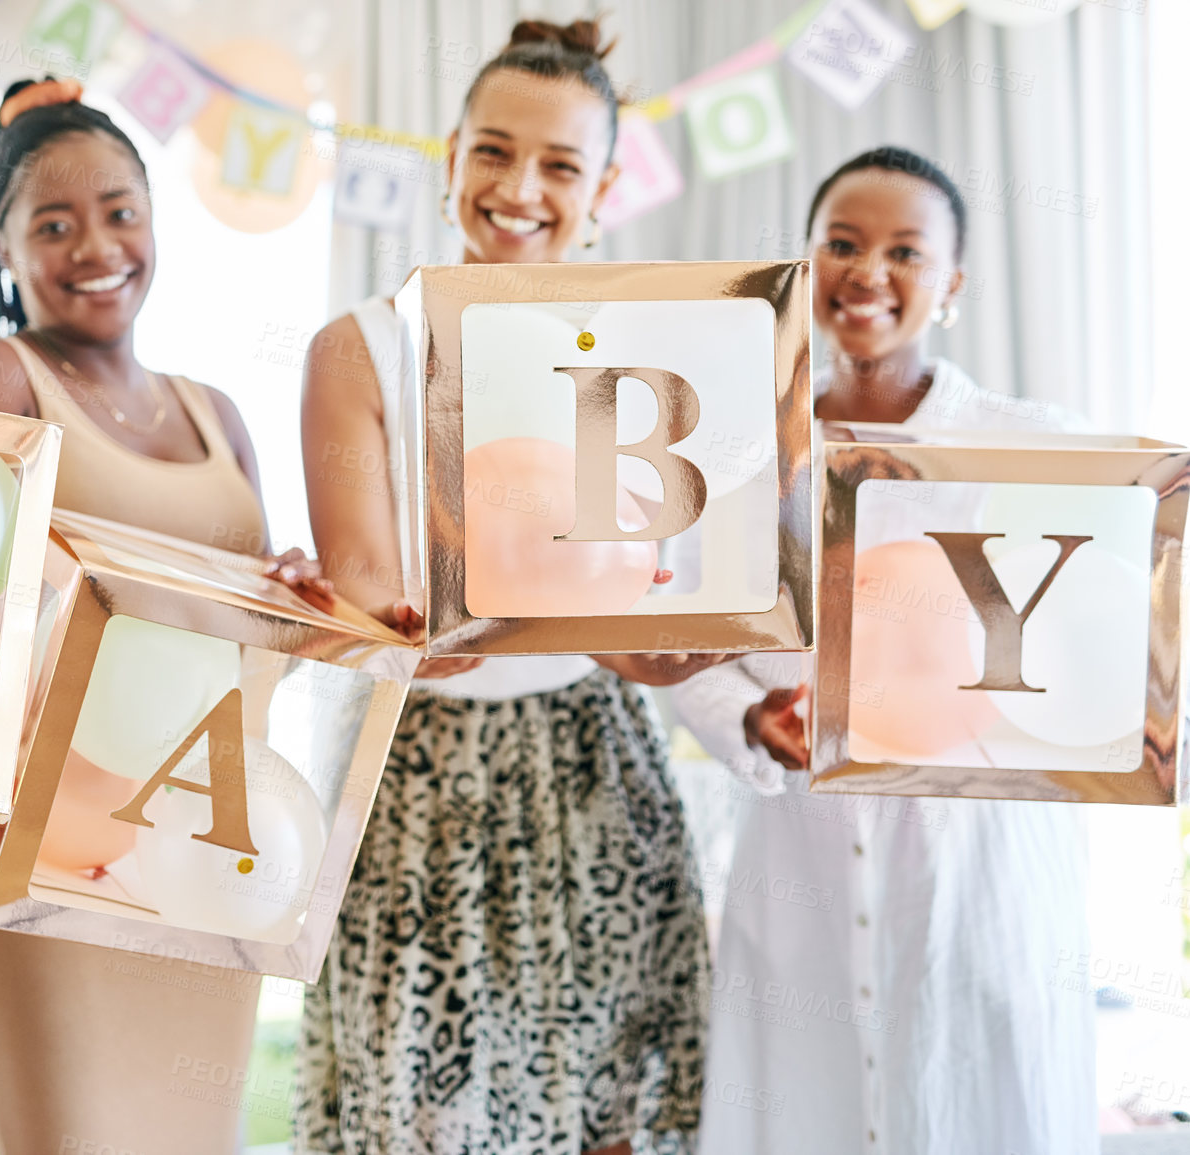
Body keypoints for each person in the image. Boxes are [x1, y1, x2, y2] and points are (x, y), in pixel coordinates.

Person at [296, 21, 718, 1155]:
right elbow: (378, 607)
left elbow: (679, 587)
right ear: (448, 162)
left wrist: (668, 645)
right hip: (418, 780)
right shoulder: (360, 351)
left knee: (604, 1115)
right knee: (423, 1118)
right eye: (492, 151)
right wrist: (437, 629)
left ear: (608, 188)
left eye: (561, 165)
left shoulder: (656, 355)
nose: (520, 188)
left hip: (594, 767)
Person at [0, 77, 326, 1153]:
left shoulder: (218, 414)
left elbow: (250, 656)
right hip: (46, 874)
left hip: (203, 861)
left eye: (118, 211)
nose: (95, 244)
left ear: (154, 222)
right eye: (52, 224)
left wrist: (302, 601)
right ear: (5, 251)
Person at [671, 146, 1097, 1155]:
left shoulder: (1036, 447)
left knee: (983, 1099)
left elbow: (1103, 631)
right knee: (807, 1103)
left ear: (951, 283)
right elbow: (682, 631)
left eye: (907, 250)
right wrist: (747, 717)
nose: (870, 271)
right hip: (800, 850)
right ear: (805, 268)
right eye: (843, 244)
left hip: (979, 864)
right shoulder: (737, 450)